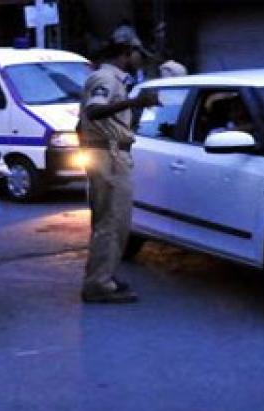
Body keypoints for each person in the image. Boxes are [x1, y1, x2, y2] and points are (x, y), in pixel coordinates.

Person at [78, 39, 160, 304]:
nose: (140, 59)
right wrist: (134, 103)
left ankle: (102, 276)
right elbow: (94, 110)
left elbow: (82, 121)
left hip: (106, 153)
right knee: (113, 222)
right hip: (109, 155)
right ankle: (99, 284)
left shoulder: (111, 79)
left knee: (109, 221)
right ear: (125, 55)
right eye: (138, 54)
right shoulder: (106, 79)